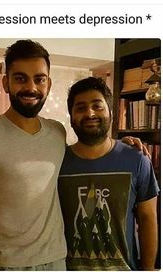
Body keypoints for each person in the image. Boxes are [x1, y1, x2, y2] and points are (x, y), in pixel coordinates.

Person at [0, 39, 149, 271]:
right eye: (20, 78)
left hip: (58, 260)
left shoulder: (57, 132)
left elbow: (89, 150)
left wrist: (123, 145)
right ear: (6, 83)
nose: (31, 87)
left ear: (48, 84)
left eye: (39, 79)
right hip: (6, 263)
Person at [58, 77, 159, 270]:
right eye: (80, 108)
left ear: (111, 112)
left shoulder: (137, 159)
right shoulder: (57, 162)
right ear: (71, 117)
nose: (90, 113)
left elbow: (148, 219)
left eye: (97, 106)